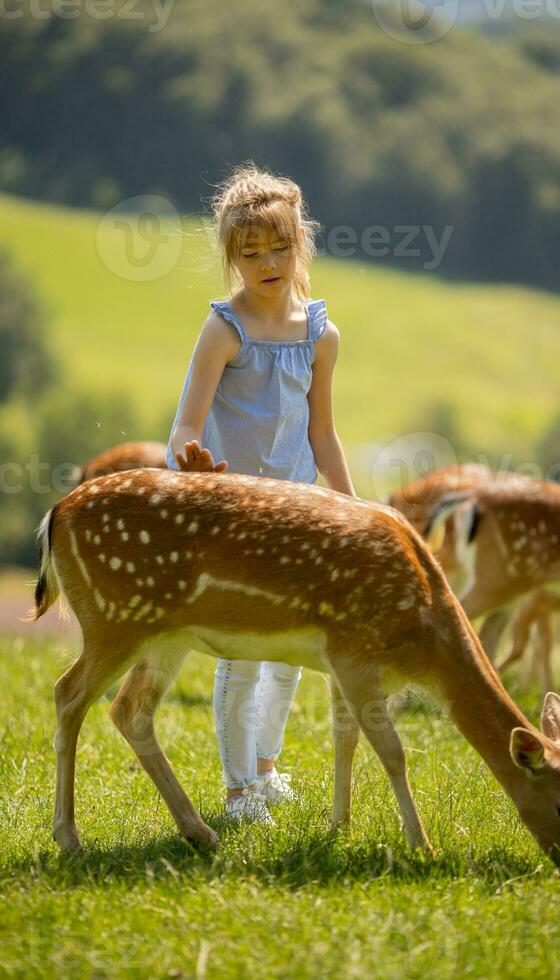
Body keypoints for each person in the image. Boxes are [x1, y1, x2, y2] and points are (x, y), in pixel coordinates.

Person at [166, 162, 356, 825]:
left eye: (279, 247)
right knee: (243, 654)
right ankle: (240, 789)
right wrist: (188, 464)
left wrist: (351, 507)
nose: (267, 262)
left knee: (290, 652)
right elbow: (187, 424)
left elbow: (324, 434)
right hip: (234, 518)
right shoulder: (225, 329)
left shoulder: (320, 335)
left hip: (298, 513)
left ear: (300, 239)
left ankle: (268, 770)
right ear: (232, 257)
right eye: (250, 254)